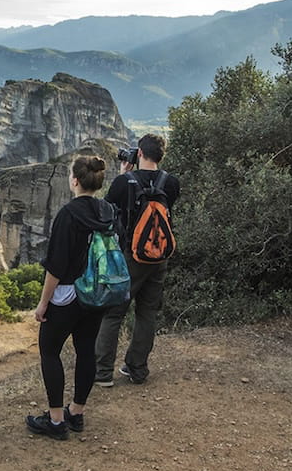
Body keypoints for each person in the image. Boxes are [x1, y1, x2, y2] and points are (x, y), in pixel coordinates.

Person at [25, 156, 115, 440]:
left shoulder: (68, 214)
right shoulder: (107, 211)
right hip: (96, 294)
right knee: (86, 350)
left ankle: (54, 421)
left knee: (50, 351)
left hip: (66, 295)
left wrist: (43, 302)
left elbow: (56, 265)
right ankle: (76, 412)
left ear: (75, 180)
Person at [94, 134, 180, 387]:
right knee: (147, 313)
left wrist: (124, 173)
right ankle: (137, 368)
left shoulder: (124, 182)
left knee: (113, 313)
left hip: (130, 257)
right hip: (160, 257)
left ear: (139, 153)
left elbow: (106, 210)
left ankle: (102, 373)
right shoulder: (171, 182)